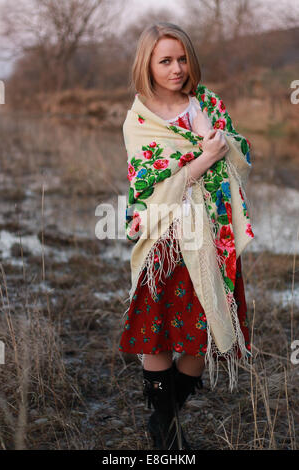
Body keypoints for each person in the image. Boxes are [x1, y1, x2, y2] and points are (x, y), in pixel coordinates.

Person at [119, 22, 252, 451]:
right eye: (165, 61)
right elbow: (148, 186)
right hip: (165, 240)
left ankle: (164, 413)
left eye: (181, 59)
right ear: (148, 64)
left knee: (205, 328)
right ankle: (165, 430)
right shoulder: (140, 118)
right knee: (156, 331)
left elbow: (242, 155)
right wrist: (204, 156)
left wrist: (218, 143)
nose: (176, 68)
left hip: (211, 234)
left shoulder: (207, 102)